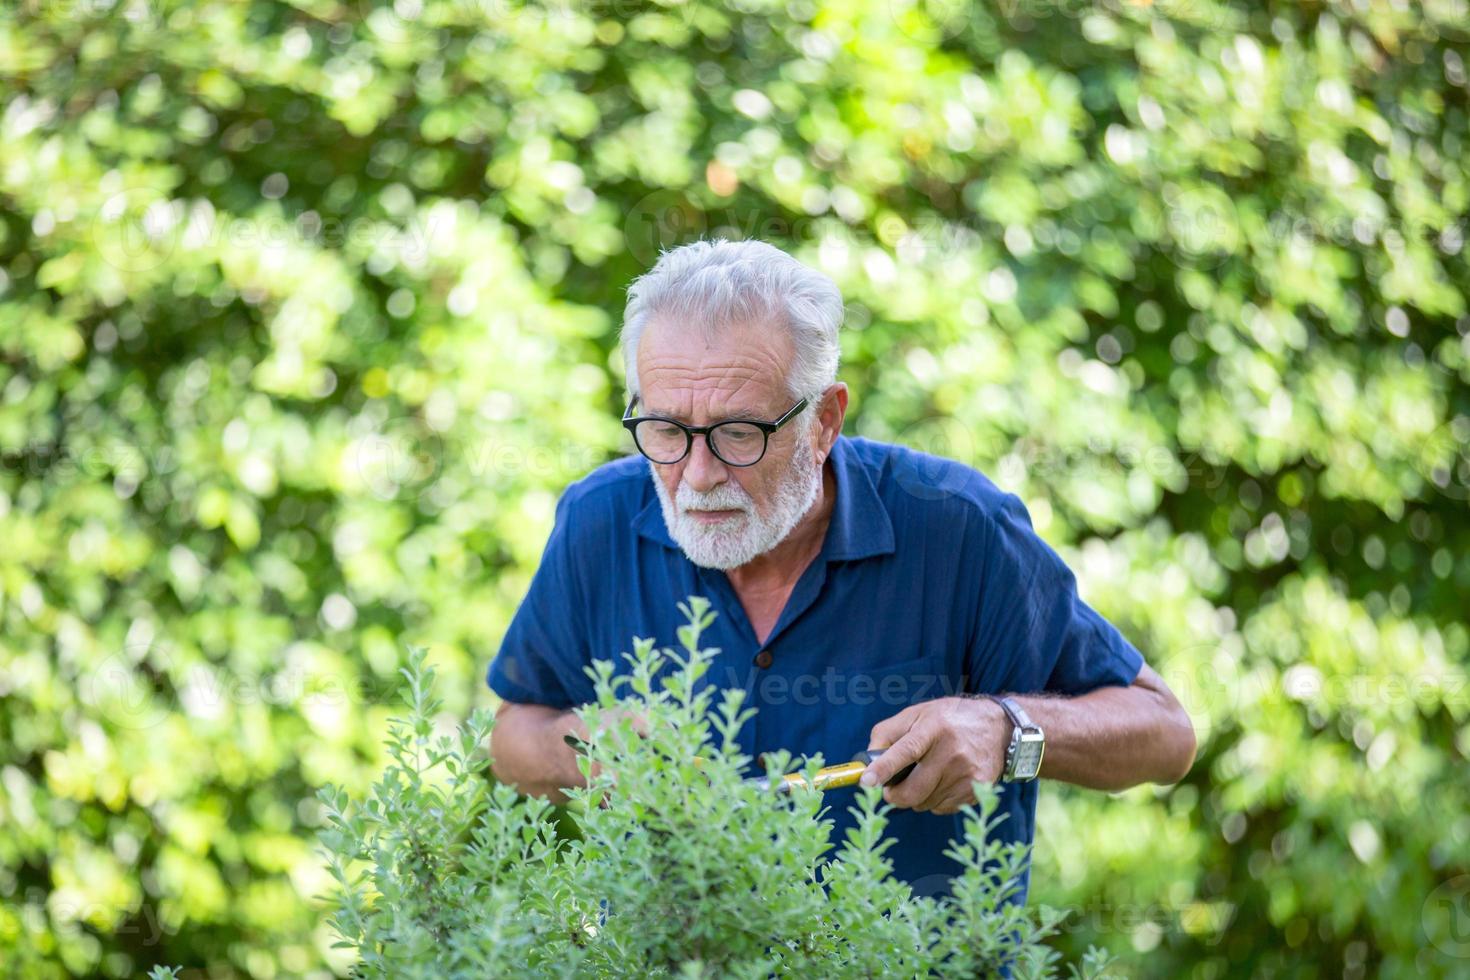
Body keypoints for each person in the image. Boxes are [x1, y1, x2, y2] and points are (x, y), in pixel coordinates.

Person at [487, 238, 1196, 899]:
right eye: (667, 430)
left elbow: (1165, 735)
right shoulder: (597, 522)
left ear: (823, 420)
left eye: (738, 433)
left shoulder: (959, 527)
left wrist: (1007, 732)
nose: (696, 475)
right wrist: (580, 751)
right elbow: (511, 733)